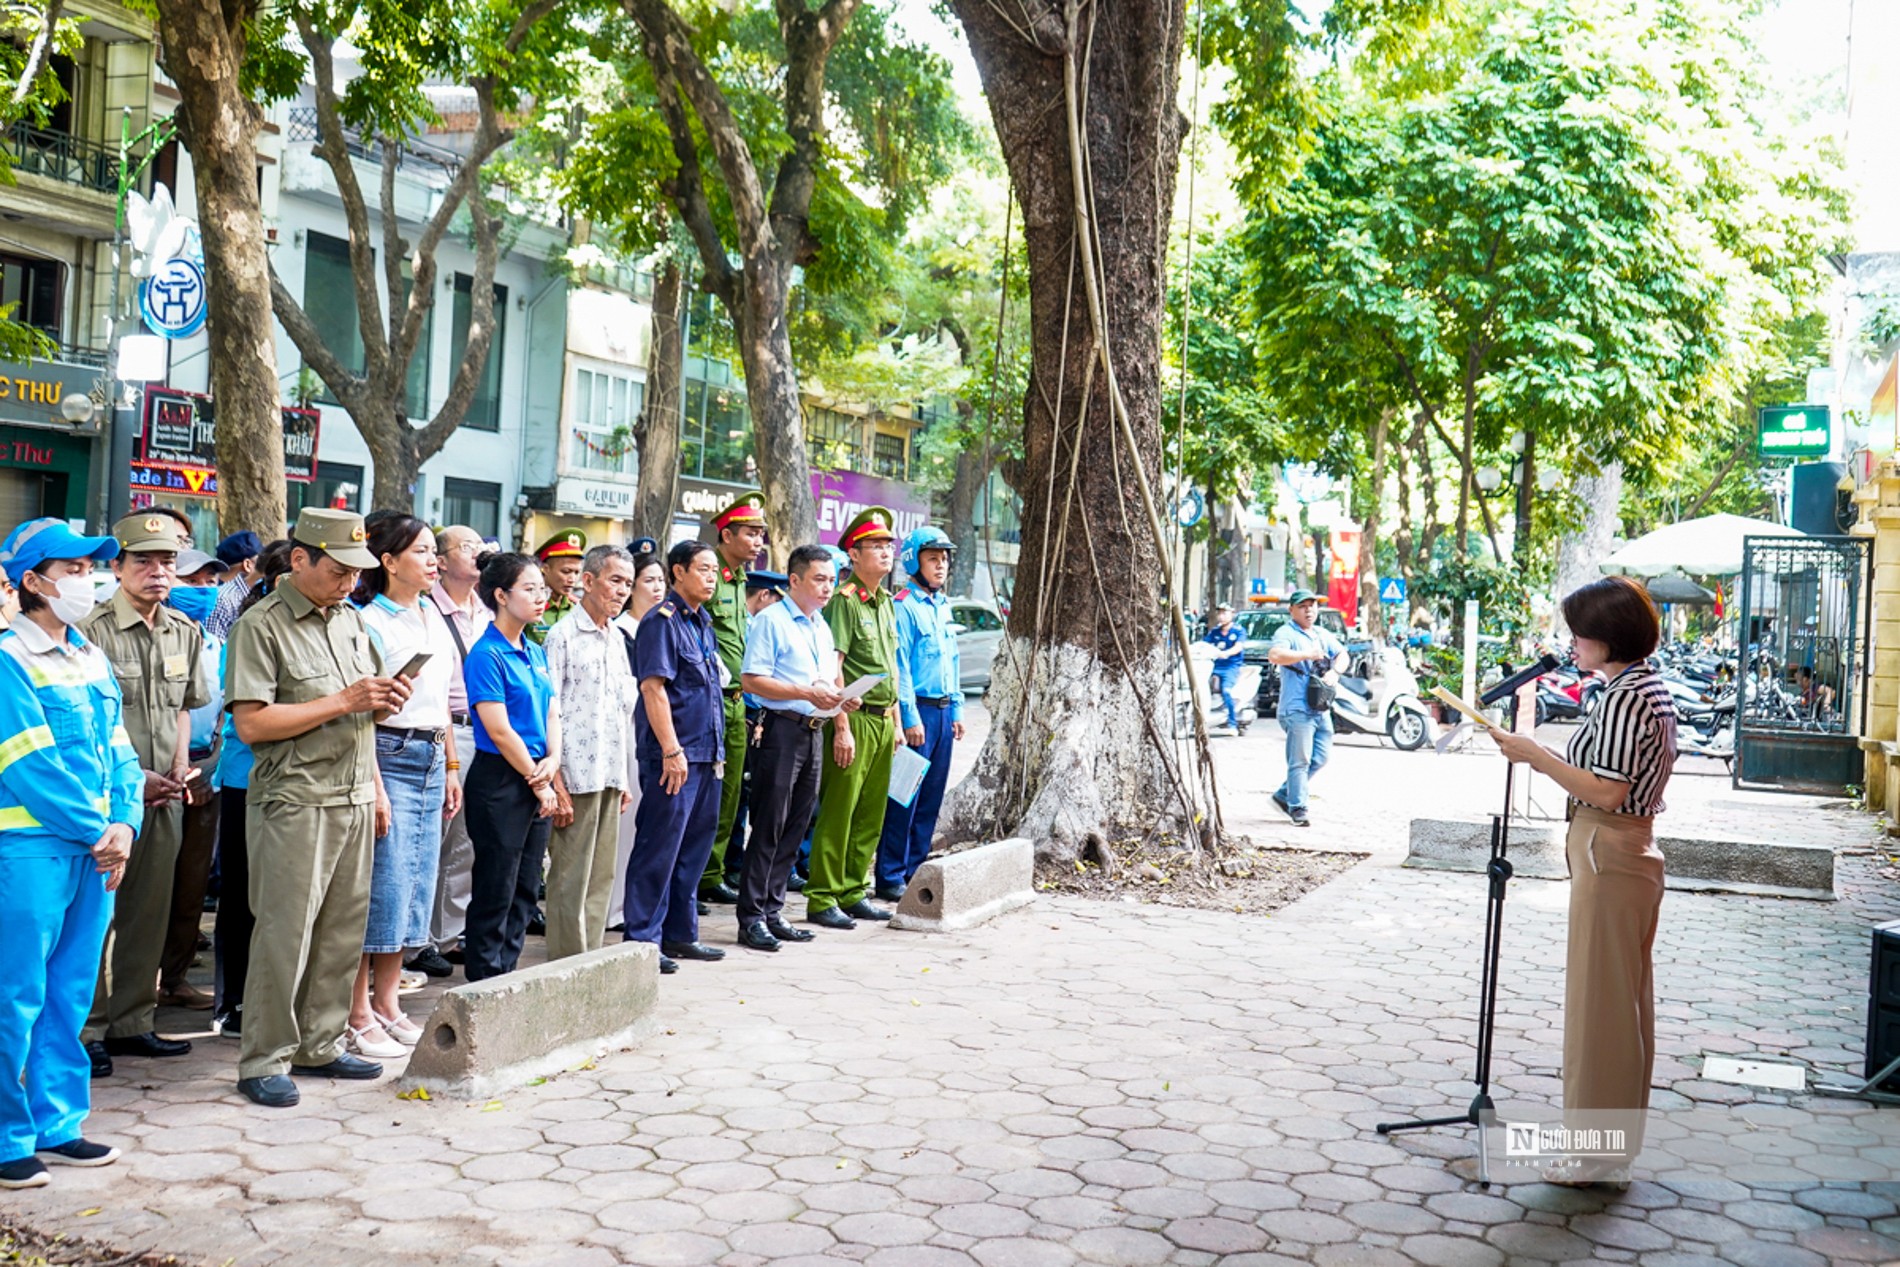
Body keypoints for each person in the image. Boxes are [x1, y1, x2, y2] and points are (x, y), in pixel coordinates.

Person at [1490, 576, 1676, 1187]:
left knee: (1601, 1009)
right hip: (1622, 849)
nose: (1572, 643)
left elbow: (1608, 789)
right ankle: (1607, 1147)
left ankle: (1593, 1154)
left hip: (1610, 847)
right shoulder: (1639, 687)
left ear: (1607, 636)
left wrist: (1535, 755)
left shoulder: (1627, 697)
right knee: (1620, 1004)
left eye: (1580, 632)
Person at [224, 509, 410, 1108]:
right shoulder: (262, 625)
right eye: (337, 570)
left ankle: (321, 1043)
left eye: (356, 572)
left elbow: (365, 703)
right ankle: (264, 1058)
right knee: (285, 934)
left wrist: (384, 698)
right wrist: (344, 700)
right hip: (295, 801)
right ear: (299, 559)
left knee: (340, 932)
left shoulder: (351, 623)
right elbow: (253, 723)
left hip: (353, 792)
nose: (349, 582)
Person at [0, 518, 141, 1190]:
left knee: (70, 993)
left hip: (95, 850)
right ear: (33, 581)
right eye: (75, 567)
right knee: (14, 993)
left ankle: (57, 1123)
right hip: (30, 849)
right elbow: (29, 763)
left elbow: (122, 751)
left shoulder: (89, 654)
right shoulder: (7, 658)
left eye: (92, 567)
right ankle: (6, 1135)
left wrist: (128, 823)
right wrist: (100, 828)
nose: (89, 578)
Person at [78, 513, 211, 1077]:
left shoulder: (184, 629)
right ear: (118, 566)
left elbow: (184, 706)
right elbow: (83, 721)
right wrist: (135, 779)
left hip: (165, 795)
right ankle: (88, 1029)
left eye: (167, 563)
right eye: (144, 562)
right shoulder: (89, 630)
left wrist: (180, 767)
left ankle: (134, 1021)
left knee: (149, 912)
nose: (158, 573)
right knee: (97, 917)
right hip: (108, 798)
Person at [346, 515, 459, 1058]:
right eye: (422, 551)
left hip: (432, 754)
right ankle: (356, 1011)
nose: (434, 560)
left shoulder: (433, 616)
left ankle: (389, 1004)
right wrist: (376, 787)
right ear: (388, 561)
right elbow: (361, 715)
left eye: (436, 551)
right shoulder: (369, 622)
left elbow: (440, 702)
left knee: (414, 886)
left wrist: (452, 767)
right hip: (387, 755)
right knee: (380, 888)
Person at [626, 540, 727, 972]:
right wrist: (671, 750)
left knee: (693, 849)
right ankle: (642, 941)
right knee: (660, 847)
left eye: (715, 570)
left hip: (707, 754)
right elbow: (653, 689)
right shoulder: (660, 622)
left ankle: (680, 934)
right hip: (675, 755)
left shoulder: (702, 622)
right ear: (677, 572)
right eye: (703, 569)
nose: (712, 576)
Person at [736, 546, 844, 951]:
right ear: (794, 580)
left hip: (814, 729)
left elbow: (825, 681)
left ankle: (773, 910)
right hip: (780, 729)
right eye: (819, 579)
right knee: (769, 823)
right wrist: (805, 692)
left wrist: (839, 698)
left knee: (798, 822)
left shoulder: (820, 625)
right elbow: (752, 680)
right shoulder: (772, 621)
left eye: (832, 580)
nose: (827, 587)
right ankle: (751, 918)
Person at [462, 552, 561, 982]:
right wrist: (539, 781)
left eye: (543, 589)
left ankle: (509, 972)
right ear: (501, 595)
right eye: (531, 589)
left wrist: (553, 762)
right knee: (496, 883)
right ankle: (484, 978)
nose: (542, 597)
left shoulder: (535, 651)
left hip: (537, 771)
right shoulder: (486, 654)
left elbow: (552, 711)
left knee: (526, 886)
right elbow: (499, 730)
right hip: (501, 777)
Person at [211, 539, 293, 1041]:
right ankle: (233, 1001)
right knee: (242, 896)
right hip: (247, 779)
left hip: (292, 785)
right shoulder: (251, 632)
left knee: (277, 898)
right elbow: (245, 717)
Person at [807, 506, 903, 929]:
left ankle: (852, 889)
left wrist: (897, 723)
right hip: (855, 717)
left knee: (870, 811)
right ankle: (823, 894)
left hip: (884, 719)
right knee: (840, 808)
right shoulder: (845, 602)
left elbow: (891, 665)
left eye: (889, 545)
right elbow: (835, 664)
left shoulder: (885, 601)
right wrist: (840, 727)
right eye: (876, 546)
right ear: (854, 553)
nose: (886, 552)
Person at [544, 544, 636, 960]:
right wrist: (555, 780)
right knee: (569, 879)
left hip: (609, 774)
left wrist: (623, 778)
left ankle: (590, 963)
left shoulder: (617, 638)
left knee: (601, 878)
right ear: (588, 580)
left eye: (628, 584)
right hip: (575, 775)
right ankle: (565, 968)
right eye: (615, 580)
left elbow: (619, 711)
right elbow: (552, 711)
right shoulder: (562, 636)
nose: (622, 591)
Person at [156, 548, 228, 1013]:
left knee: (190, 886)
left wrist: (213, 768)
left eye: (210, 580)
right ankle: (134, 982)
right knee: (148, 888)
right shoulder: (154, 639)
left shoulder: (218, 646)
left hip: (206, 770)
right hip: (158, 773)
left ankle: (176, 977)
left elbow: (230, 713)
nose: (204, 589)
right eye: (193, 580)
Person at [874, 527, 964, 902]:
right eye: (932, 558)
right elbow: (901, 667)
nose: (940, 565)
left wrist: (957, 708)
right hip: (919, 714)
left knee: (930, 797)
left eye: (944, 558)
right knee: (903, 796)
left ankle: (914, 869)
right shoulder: (904, 605)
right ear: (914, 561)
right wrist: (908, 717)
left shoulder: (943, 605)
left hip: (943, 714)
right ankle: (890, 874)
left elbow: (953, 661)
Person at [421, 524, 492, 974]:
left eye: (482, 547)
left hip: (484, 730)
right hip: (448, 730)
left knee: (465, 842)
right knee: (436, 838)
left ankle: (445, 935)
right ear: (441, 562)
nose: (477, 555)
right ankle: (417, 940)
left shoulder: (487, 609)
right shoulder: (428, 610)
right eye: (467, 547)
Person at [699, 495, 766, 906]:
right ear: (726, 535)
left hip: (740, 700)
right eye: (751, 533)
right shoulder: (712, 578)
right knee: (708, 790)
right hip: (711, 699)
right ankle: (698, 872)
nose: (758, 541)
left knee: (731, 794)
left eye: (761, 533)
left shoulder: (740, 579)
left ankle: (713, 872)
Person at [608, 548, 668, 932]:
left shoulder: (664, 624)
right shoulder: (621, 631)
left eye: (661, 580)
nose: (657, 587)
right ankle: (614, 907)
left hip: (656, 733)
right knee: (623, 822)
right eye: (648, 580)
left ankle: (637, 905)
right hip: (626, 732)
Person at [1266, 589, 1346, 828]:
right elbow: (1275, 655)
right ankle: (1298, 808)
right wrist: (1306, 654)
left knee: (1320, 757)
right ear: (1292, 610)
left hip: (1320, 707)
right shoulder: (1286, 633)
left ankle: (1284, 794)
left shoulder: (1322, 633)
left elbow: (1343, 654)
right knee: (1300, 760)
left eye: (1312, 606)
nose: (1309, 610)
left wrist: (1335, 671)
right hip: (1296, 707)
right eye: (1303, 606)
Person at [528, 531, 587, 644]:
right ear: (545, 568)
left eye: (576, 572)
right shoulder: (530, 605)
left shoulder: (577, 608)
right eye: (566, 571)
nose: (572, 579)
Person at [206, 531, 262, 639]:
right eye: (262, 562)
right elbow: (216, 650)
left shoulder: (251, 594)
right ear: (247, 565)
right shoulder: (223, 601)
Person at [1202, 602, 1246, 732]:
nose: (1221, 616)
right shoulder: (1214, 631)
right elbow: (1205, 644)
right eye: (1219, 613)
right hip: (1214, 666)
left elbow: (1238, 647)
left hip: (1230, 666)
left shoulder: (1238, 631)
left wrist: (1226, 653)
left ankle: (1232, 723)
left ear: (1232, 614)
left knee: (1227, 691)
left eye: (1224, 613)